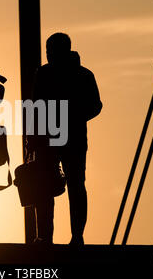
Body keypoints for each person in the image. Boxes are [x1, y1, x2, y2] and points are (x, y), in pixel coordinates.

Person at [28, 32, 102, 246]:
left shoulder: (49, 74)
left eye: (50, 51)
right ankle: (57, 237)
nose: (49, 55)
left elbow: (36, 108)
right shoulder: (82, 75)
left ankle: (61, 237)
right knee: (61, 185)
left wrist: (71, 116)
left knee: (64, 186)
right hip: (62, 139)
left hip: (59, 139)